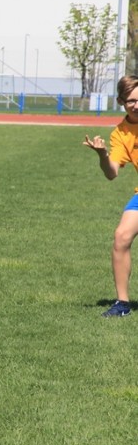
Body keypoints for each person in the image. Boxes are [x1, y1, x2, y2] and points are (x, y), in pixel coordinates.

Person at [83, 74, 138, 317]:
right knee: (121, 237)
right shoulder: (120, 133)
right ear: (121, 102)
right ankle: (122, 304)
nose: (136, 105)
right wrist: (102, 155)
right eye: (131, 101)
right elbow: (111, 173)